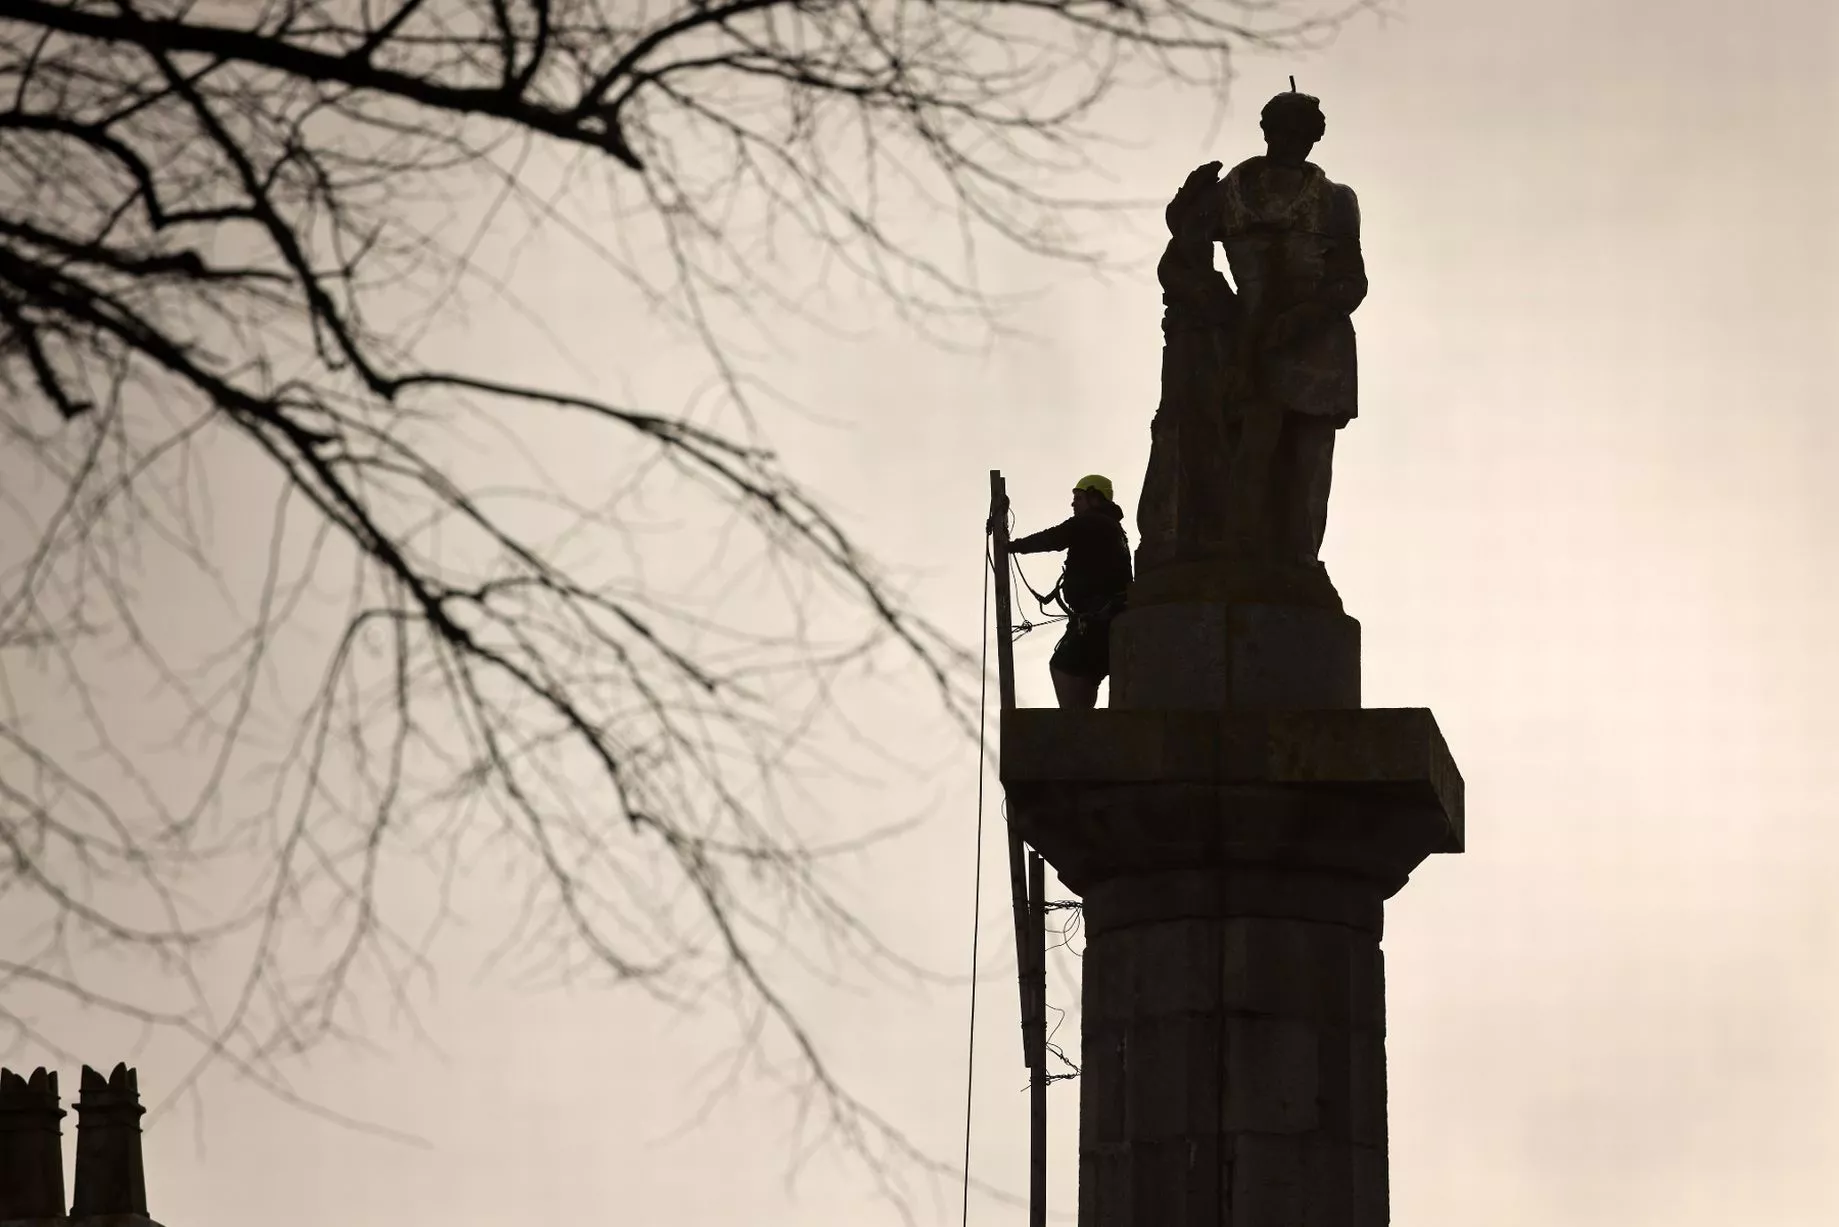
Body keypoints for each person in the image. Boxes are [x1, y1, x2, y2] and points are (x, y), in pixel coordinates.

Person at [1004, 475, 1132, 709]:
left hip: (1097, 618)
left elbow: (1054, 537)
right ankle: (1082, 724)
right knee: (1084, 674)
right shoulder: (1112, 529)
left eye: (1078, 498)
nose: (1073, 504)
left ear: (1094, 498)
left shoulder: (1092, 522)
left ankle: (1077, 728)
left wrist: (1013, 546)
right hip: (1105, 617)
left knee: (1064, 666)